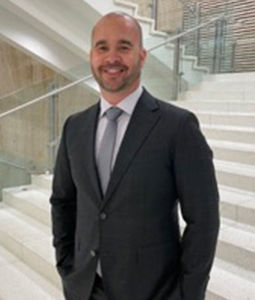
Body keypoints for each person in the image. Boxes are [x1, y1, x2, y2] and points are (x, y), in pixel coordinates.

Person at [50, 12, 219, 300]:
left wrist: (187, 294)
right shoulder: (74, 127)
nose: (112, 58)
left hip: (153, 292)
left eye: (124, 47)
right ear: (91, 55)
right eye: (102, 47)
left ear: (141, 56)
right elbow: (63, 202)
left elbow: (204, 220)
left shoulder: (177, 127)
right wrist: (67, 266)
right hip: (85, 288)